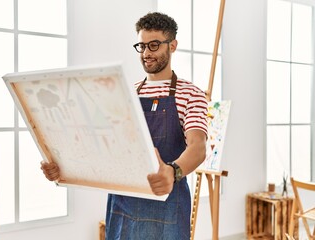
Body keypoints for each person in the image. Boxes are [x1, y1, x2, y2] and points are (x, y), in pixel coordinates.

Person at [41, 12, 208, 240]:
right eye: (142, 46)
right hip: (122, 208)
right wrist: (63, 168)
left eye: (154, 45)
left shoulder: (191, 94)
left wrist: (172, 171)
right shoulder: (125, 92)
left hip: (166, 206)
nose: (147, 53)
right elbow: (103, 147)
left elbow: (197, 147)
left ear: (173, 46)